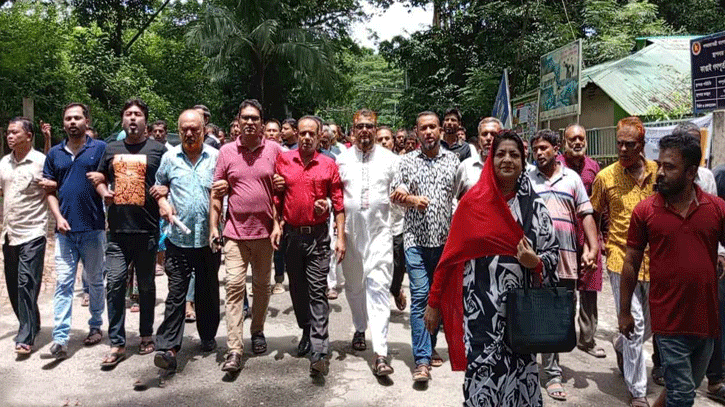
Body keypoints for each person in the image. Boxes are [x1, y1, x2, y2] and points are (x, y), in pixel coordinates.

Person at [425, 130, 559, 406]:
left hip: (522, 312)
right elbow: (449, 258)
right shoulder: (472, 205)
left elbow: (553, 256)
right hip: (480, 313)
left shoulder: (536, 208)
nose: (507, 160)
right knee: (482, 375)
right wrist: (434, 301)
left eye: (514, 154)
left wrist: (536, 263)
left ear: (524, 161)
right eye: (500, 154)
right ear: (490, 159)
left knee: (520, 373)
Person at [620, 134, 725, 407]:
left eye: (670, 167)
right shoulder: (646, 211)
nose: (661, 173)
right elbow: (630, 261)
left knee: (682, 387)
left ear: (691, 172)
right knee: (682, 395)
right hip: (668, 320)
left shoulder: (716, 209)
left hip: (706, 320)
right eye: (660, 164)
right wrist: (623, 311)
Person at [90, 98, 167, 368]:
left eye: (137, 114)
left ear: (146, 120)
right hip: (118, 231)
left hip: (146, 229)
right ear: (122, 120)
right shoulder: (111, 148)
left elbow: (168, 180)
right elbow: (98, 177)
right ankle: (117, 342)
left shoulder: (158, 150)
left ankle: (147, 334)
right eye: (128, 114)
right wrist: (104, 192)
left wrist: (165, 191)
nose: (133, 118)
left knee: (146, 286)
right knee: (115, 284)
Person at [210, 99, 283, 372]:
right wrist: (213, 227)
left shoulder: (275, 150)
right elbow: (217, 192)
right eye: (245, 118)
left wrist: (279, 223)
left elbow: (281, 191)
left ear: (262, 123)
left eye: (255, 118)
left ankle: (258, 330)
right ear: (238, 122)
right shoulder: (227, 152)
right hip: (235, 234)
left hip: (265, 235)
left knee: (262, 288)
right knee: (233, 288)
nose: (250, 122)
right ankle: (234, 349)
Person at [590, 116, 658, 407]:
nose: (623, 149)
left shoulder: (658, 172)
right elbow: (591, 214)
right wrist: (595, 245)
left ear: (641, 145)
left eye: (629, 144)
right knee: (636, 323)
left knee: (652, 324)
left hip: (656, 260)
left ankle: (620, 343)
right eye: (619, 143)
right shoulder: (606, 177)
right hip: (620, 259)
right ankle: (638, 391)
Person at [528, 129, 599, 401]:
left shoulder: (572, 179)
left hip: (566, 260)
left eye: (544, 148)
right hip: (534, 261)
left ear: (556, 149)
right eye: (535, 149)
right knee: (533, 311)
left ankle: (552, 371)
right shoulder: (528, 179)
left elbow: (586, 214)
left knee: (559, 317)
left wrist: (592, 248)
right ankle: (536, 368)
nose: (539, 153)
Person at [272, 115, 345, 377]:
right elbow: (277, 197)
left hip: (318, 237)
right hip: (292, 236)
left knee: (317, 291)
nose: (305, 137)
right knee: (298, 291)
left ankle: (319, 350)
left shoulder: (328, 164)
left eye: (310, 133)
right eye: (301, 133)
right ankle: (306, 328)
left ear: (319, 136)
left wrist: (340, 236)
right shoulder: (284, 161)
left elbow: (337, 201)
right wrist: (276, 224)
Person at [390, 111, 460, 382]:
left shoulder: (454, 161)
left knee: (438, 297)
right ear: (416, 133)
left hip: (445, 244)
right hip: (415, 241)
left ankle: (430, 348)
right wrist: (410, 199)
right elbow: (398, 192)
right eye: (423, 128)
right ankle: (422, 360)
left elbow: (460, 198)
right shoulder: (406, 161)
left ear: (441, 130)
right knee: (420, 297)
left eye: (433, 127)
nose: (428, 132)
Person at [152, 110, 222, 372]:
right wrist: (161, 201)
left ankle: (207, 335)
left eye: (194, 128)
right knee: (176, 293)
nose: (190, 133)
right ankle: (168, 347)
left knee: (208, 291)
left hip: (208, 238)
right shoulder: (170, 158)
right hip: (178, 239)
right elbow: (158, 186)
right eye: (185, 129)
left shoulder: (217, 157)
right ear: (179, 131)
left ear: (204, 129)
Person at [43, 103, 107, 359]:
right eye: (68, 118)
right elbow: (50, 191)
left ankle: (95, 326)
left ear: (86, 120)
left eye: (77, 118)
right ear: (63, 122)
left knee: (94, 281)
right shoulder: (55, 154)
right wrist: (57, 218)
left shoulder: (99, 149)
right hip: (65, 232)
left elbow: (109, 179)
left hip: (93, 228)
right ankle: (60, 338)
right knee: (64, 284)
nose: (72, 122)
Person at [338, 109, 399, 376]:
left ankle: (381, 353)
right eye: (360, 126)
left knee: (378, 288)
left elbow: (401, 187)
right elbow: (333, 195)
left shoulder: (391, 160)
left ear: (376, 129)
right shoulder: (341, 160)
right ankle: (359, 326)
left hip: (380, 233)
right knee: (353, 286)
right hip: (351, 233)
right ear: (352, 130)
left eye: (369, 126)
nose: (365, 130)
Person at [557, 124, 607, 360]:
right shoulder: (555, 165)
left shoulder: (593, 168)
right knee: (565, 288)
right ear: (564, 141)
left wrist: (601, 237)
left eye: (581, 138)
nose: (577, 142)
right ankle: (562, 335)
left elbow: (601, 207)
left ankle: (587, 338)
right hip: (563, 234)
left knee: (589, 288)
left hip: (589, 235)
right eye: (572, 138)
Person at [1, 117, 48, 356]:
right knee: (13, 286)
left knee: (26, 282)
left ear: (28, 136)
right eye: (8, 133)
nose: (10, 136)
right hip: (9, 234)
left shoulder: (41, 161)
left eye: (14, 133)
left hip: (34, 231)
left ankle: (26, 335)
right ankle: (32, 322)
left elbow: (53, 188)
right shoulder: (4, 163)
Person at [377, 127, 407, 311]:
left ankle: (396, 290)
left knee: (398, 264)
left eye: (387, 139)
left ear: (393, 141)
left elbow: (409, 183)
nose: (383, 142)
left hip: (398, 223)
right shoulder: (367, 164)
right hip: (376, 224)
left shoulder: (401, 162)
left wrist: (403, 190)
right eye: (379, 139)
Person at [454, 117, 501, 198]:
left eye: (493, 134)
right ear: (479, 139)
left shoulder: (507, 167)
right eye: (484, 134)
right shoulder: (466, 167)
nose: (489, 138)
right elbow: (453, 198)